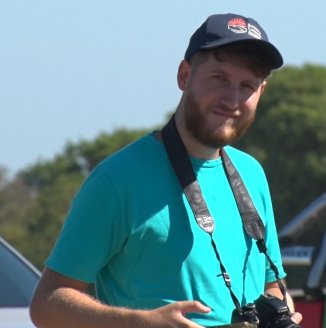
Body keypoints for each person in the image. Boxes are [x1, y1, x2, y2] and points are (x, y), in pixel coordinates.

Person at [30, 13, 302, 327]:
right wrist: (141, 323)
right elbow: (47, 304)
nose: (232, 99)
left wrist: (282, 312)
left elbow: (271, 285)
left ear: (262, 92)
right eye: (219, 79)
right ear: (184, 75)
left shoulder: (251, 173)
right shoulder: (118, 179)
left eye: (247, 86)